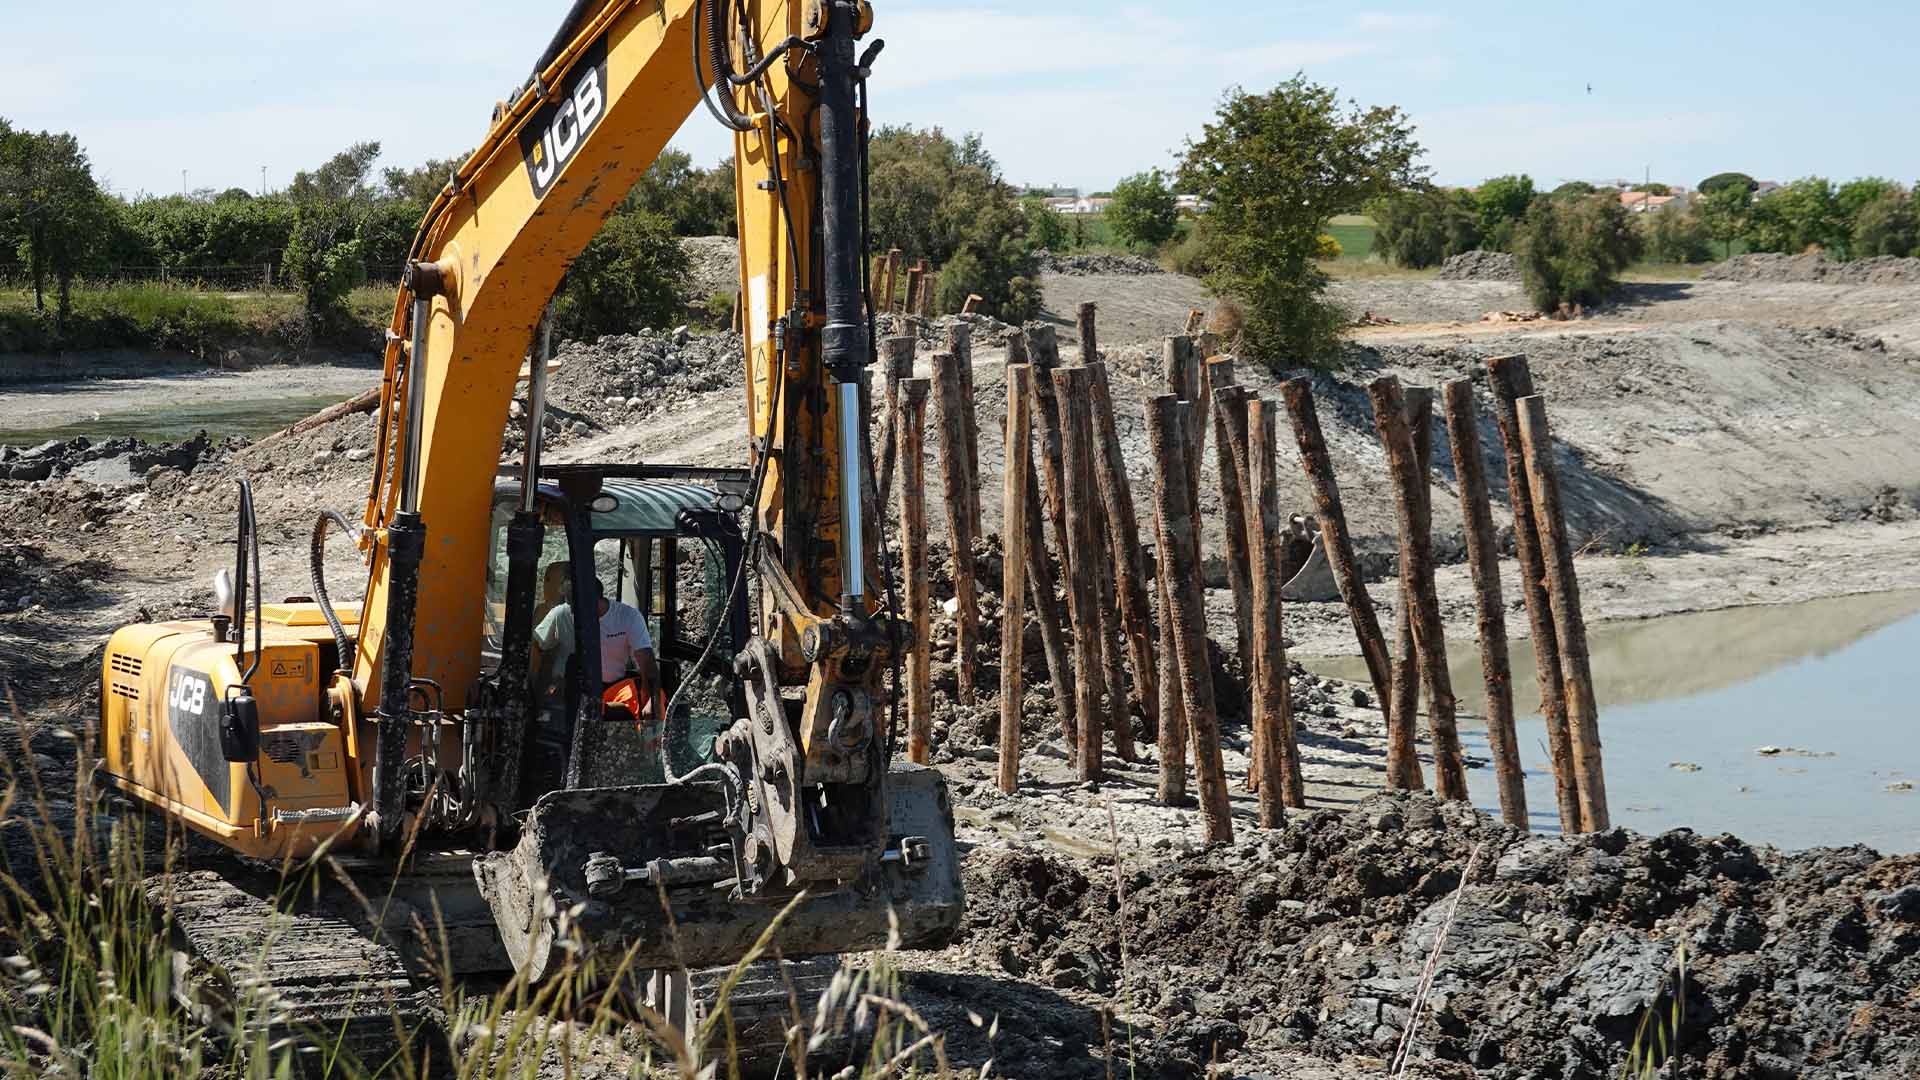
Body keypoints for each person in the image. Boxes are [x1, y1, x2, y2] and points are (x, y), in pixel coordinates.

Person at [531, 577, 660, 716]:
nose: (572, 611)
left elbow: (647, 662)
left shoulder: (628, 617)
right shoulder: (561, 614)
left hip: (611, 690)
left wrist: (652, 701)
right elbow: (536, 648)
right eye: (570, 605)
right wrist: (538, 691)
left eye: (575, 606)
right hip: (567, 689)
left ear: (593, 600)